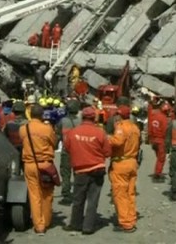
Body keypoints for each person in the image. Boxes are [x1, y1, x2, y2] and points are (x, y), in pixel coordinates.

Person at [63, 106, 112, 235]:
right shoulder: (100, 132)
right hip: (97, 170)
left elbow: (67, 148)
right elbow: (107, 152)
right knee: (93, 199)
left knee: (78, 198)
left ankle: (75, 224)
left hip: (80, 171)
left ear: (82, 117)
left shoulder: (73, 132)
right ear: (94, 118)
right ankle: (88, 227)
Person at [19, 105, 57, 235]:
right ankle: (46, 221)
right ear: (42, 115)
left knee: (34, 195)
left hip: (29, 165)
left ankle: (39, 225)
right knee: (47, 194)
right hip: (45, 164)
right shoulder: (47, 129)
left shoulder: (23, 129)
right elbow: (54, 143)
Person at [108, 105, 141, 233]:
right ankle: (131, 218)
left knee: (120, 193)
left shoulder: (121, 127)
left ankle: (126, 224)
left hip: (121, 162)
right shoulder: (135, 128)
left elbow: (117, 142)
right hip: (132, 162)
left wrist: (107, 138)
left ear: (119, 115)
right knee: (130, 193)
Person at [56, 99, 81, 206]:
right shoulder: (81, 121)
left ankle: (66, 196)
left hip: (66, 151)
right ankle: (78, 195)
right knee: (78, 174)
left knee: (65, 174)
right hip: (79, 152)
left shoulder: (63, 121)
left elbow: (58, 135)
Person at [148, 102, 170, 183]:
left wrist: (150, 139)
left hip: (154, 140)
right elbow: (165, 131)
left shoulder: (154, 117)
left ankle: (157, 171)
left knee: (158, 157)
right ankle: (157, 173)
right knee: (161, 158)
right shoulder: (163, 119)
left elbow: (150, 128)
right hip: (161, 140)